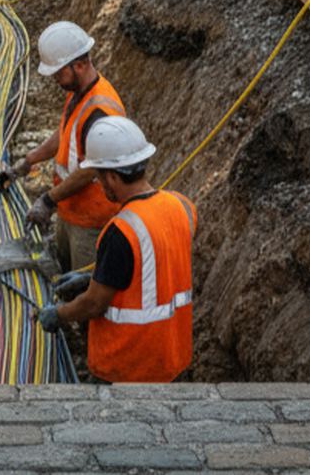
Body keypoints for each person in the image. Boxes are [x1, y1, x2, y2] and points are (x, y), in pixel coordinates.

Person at [35, 116, 196, 384]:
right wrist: (96, 276)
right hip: (173, 360)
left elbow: (95, 303)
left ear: (111, 176)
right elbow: (153, 266)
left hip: (129, 367)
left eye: (99, 178)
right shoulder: (182, 206)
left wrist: (58, 315)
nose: (99, 185)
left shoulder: (121, 230)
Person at [0, 21, 125, 272]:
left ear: (79, 65)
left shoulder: (101, 111)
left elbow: (89, 171)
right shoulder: (78, 92)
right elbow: (65, 132)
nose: (56, 80)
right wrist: (27, 163)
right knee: (63, 273)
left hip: (91, 221)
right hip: (70, 211)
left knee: (81, 285)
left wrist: (47, 200)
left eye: (58, 73)